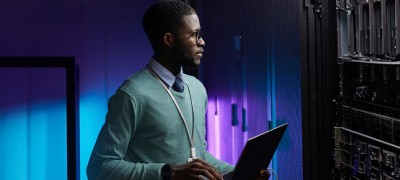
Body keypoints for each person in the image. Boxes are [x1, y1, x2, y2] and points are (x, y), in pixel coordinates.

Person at [86, 1, 234, 179]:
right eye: (194, 35)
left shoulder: (197, 88)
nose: (201, 42)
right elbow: (99, 168)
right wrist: (167, 172)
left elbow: (199, 157)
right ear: (168, 39)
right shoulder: (131, 94)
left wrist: (240, 173)